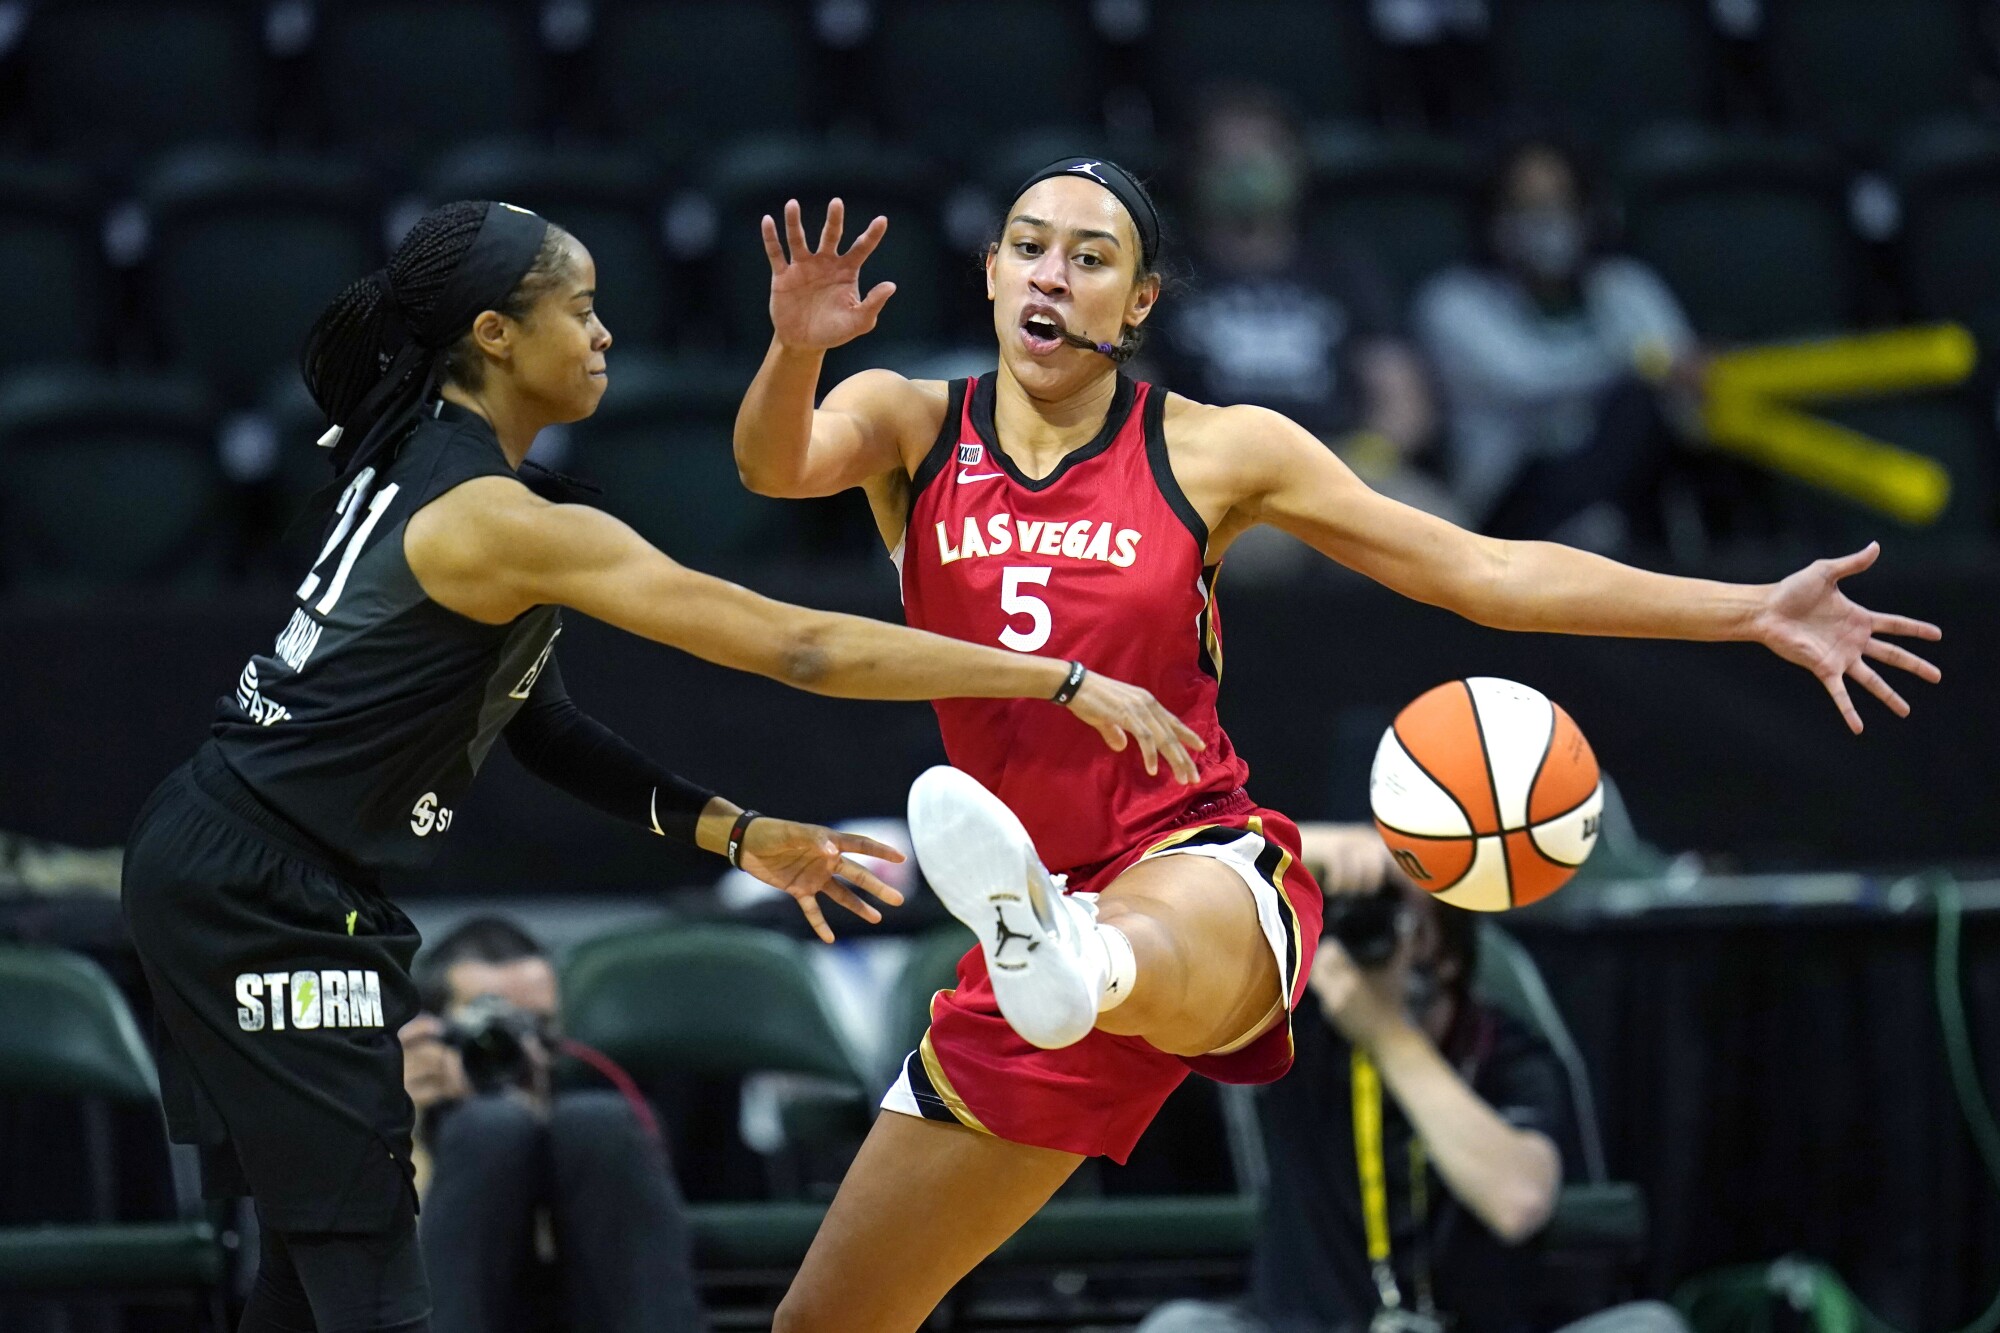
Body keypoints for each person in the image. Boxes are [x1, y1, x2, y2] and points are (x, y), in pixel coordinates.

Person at [728, 156, 1939, 1333]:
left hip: (1188, 862)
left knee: (1137, 925)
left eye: (1090, 258)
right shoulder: (908, 423)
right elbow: (772, 464)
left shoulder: (1217, 447)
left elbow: (1480, 572)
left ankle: (1084, 956)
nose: (1052, 275)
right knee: (828, 1319)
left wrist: (1745, 609)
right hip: (1023, 928)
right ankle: (1055, 954)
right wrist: (796, 345)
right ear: (990, 272)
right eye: (1029, 248)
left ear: (1138, 301)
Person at [118, 198, 1203, 1333]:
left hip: (249, 869)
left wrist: (734, 831)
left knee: (312, 1261)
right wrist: (1057, 678)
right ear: (494, 334)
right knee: (370, 1264)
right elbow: (799, 643)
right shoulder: (497, 517)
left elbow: (534, 720)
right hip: (255, 888)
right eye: (580, 311)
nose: (604, 336)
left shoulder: (428, 461)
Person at [1139, 827, 1688, 1333]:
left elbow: (1518, 1201)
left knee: (1650, 1327)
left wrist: (1385, 1034)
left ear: (1445, 953)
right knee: (1181, 1327)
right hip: (1311, 1325)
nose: (1375, 942)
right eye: (1361, 921)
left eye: (1404, 922)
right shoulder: (1298, 1029)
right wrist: (1336, 850)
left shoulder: (1505, 1050)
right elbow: (1198, 865)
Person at [1152, 86, 1454, 559]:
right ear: (1195, 171)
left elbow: (1402, 396)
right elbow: (1132, 392)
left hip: (1341, 464)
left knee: (1439, 536)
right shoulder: (1162, 275)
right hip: (1218, 475)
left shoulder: (1342, 268)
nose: (1245, 170)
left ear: (1294, 164)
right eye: (1226, 156)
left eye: (1261, 153)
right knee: (1243, 551)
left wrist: (1361, 462)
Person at [397, 916, 707, 1333]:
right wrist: (400, 1123)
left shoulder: (594, 1134)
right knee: (489, 1130)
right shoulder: (405, 1112)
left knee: (598, 1121)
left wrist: (531, 1116)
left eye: (538, 1027)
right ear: (434, 1031)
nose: (523, 1049)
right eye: (494, 1028)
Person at [1414, 136, 1703, 547]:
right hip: (1506, 506)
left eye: (1560, 204)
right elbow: (1527, 381)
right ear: (1493, 215)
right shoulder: (1453, 301)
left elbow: (1686, 384)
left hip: (1627, 487)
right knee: (1634, 401)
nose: (1547, 221)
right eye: (1525, 206)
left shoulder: (1626, 286)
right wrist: (1650, 364)